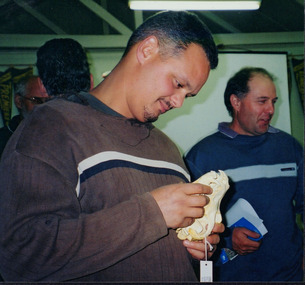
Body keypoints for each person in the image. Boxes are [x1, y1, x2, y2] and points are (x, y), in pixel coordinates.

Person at [0, 11, 222, 282]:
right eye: (178, 84)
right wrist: (152, 212)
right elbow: (20, 256)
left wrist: (195, 248)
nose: (179, 102)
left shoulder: (168, 150)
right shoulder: (51, 128)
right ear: (148, 49)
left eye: (188, 95)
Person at [185, 67, 304, 281]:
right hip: (233, 277)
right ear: (236, 102)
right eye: (262, 101)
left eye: (273, 102)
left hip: (290, 275)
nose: (270, 110)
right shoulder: (202, 155)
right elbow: (190, 224)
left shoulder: (289, 147)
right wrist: (228, 239)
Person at [0, 75, 49, 158]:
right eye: (36, 100)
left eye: (48, 101)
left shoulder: (56, 135)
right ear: (19, 101)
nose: (43, 107)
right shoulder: (2, 139)